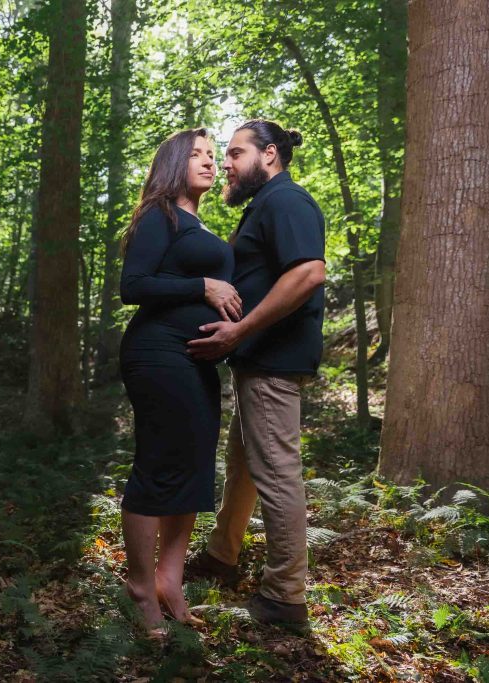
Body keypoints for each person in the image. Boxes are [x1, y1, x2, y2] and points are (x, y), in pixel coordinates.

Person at [186, 119, 326, 631]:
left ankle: (285, 596)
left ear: (269, 154)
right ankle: (222, 556)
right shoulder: (264, 204)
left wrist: (240, 331)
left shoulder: (286, 200)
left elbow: (308, 273)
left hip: (274, 360)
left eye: (234, 153)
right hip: (258, 360)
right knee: (243, 464)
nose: (224, 163)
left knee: (275, 471)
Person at [117, 128, 241, 634]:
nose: (210, 162)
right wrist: (202, 286)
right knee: (160, 464)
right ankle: (140, 586)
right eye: (197, 155)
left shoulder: (199, 223)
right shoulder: (159, 214)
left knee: (194, 467)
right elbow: (133, 285)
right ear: (172, 164)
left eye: (213, 155)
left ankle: (170, 580)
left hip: (196, 362)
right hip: (157, 354)